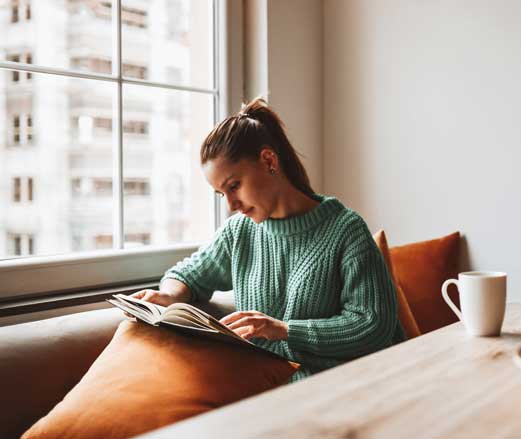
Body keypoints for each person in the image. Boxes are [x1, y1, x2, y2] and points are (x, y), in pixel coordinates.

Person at [130, 97, 404, 381]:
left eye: (234, 186)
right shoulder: (239, 232)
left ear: (268, 161)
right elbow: (185, 274)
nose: (231, 204)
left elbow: (373, 326)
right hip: (274, 393)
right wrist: (170, 295)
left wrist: (283, 330)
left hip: (355, 385)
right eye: (221, 194)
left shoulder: (345, 230)